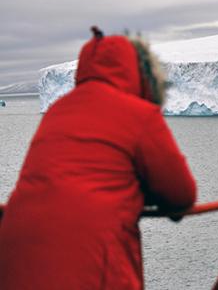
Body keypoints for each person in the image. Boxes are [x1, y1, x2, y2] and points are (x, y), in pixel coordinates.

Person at [0, 27, 197, 289]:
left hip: (14, 262)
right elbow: (181, 194)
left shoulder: (57, 111)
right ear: (140, 73)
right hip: (89, 270)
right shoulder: (138, 114)